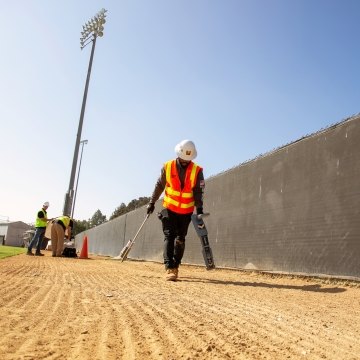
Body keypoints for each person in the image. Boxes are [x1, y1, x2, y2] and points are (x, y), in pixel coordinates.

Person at [147, 140, 205, 281]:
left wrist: (200, 209)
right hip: (170, 209)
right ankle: (169, 267)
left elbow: (198, 191)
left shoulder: (197, 171)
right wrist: (152, 202)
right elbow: (160, 185)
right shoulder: (168, 167)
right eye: (183, 159)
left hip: (186, 212)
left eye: (188, 159)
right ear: (178, 154)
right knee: (169, 235)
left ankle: (176, 265)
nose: (185, 161)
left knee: (180, 239)